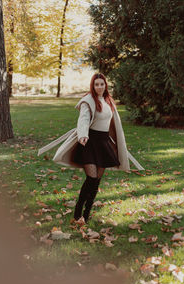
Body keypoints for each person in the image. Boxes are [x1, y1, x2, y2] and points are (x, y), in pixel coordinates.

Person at [38, 73, 144, 223]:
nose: (99, 87)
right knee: (91, 178)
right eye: (96, 84)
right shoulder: (88, 101)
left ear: (105, 85)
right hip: (89, 142)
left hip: (103, 143)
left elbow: (113, 124)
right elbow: (84, 119)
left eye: (102, 84)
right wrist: (82, 134)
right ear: (92, 86)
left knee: (97, 180)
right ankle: (78, 210)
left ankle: (87, 213)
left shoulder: (109, 101)